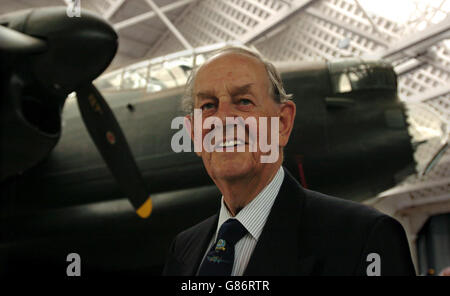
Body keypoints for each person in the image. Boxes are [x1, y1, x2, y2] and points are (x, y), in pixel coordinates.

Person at [162, 46, 416, 276]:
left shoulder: (363, 237)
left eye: (244, 102)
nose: (224, 119)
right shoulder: (183, 250)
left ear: (282, 123)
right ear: (194, 133)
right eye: (208, 106)